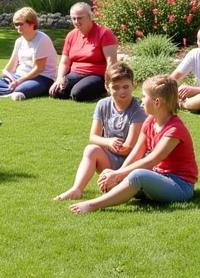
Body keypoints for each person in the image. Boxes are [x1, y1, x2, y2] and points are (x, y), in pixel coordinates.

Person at [68, 74, 198, 214]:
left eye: (144, 96)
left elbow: (152, 159)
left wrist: (118, 176)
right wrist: (117, 173)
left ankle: (92, 205)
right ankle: (118, 191)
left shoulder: (174, 129)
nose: (141, 101)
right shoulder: (150, 121)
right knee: (112, 174)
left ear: (157, 102)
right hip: (157, 177)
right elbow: (137, 152)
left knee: (137, 175)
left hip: (179, 185)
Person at [53, 62, 146, 200]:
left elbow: (128, 148)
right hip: (110, 158)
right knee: (91, 149)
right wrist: (108, 141)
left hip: (131, 163)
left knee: (101, 152)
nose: (122, 91)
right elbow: (93, 137)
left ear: (133, 85)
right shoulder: (103, 104)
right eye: (116, 87)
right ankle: (76, 190)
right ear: (107, 87)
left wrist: (114, 148)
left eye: (126, 87)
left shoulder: (138, 109)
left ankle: (118, 183)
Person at [0, 7, 58, 101]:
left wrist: (18, 81)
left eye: (20, 24)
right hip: (19, 76)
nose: (18, 27)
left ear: (31, 23)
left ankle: (17, 91)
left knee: (20, 88)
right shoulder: (19, 41)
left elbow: (39, 69)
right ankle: (15, 92)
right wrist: (7, 74)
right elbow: (12, 64)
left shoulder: (42, 39)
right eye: (15, 24)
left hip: (41, 77)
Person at [48, 2, 119, 103]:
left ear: (90, 17)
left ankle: (101, 91)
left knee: (78, 94)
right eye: (74, 18)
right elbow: (64, 62)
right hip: (75, 73)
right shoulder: (71, 35)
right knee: (56, 92)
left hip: (97, 74)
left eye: (80, 18)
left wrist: (109, 82)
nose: (76, 21)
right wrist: (59, 78)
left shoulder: (104, 33)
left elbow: (111, 62)